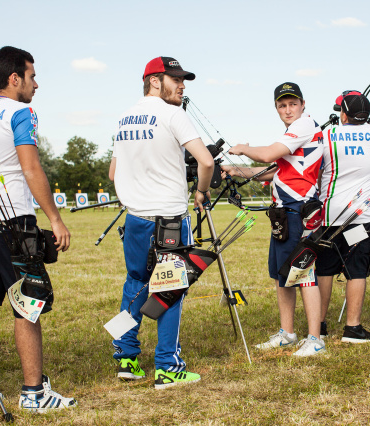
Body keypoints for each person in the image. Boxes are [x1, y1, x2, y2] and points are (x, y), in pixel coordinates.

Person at [0, 46, 75, 412]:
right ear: (15, 78)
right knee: (29, 304)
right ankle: (34, 393)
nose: (36, 84)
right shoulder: (21, 111)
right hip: (12, 221)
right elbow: (30, 168)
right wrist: (55, 218)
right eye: (31, 76)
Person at [109, 57, 214, 388]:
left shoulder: (125, 117)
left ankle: (126, 357)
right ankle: (168, 367)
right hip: (169, 217)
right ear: (155, 81)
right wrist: (200, 192)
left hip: (135, 218)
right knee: (170, 290)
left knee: (136, 284)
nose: (182, 85)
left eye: (184, 79)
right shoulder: (173, 113)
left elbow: (113, 173)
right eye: (176, 79)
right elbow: (206, 161)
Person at [222, 82, 325, 356]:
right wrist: (235, 170)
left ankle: (315, 339)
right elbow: (272, 170)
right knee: (282, 276)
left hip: (298, 211)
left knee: (304, 275)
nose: (288, 109)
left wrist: (243, 148)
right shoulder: (292, 134)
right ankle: (287, 333)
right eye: (282, 105)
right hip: (283, 213)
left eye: (293, 104)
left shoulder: (304, 126)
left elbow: (266, 154)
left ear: (303, 105)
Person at [316, 92, 370, 342]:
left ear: (342, 114)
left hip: (329, 215)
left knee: (324, 270)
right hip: (360, 217)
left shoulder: (327, 135)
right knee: (356, 270)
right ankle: (352, 328)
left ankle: (319, 325)